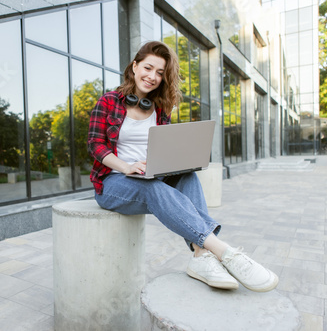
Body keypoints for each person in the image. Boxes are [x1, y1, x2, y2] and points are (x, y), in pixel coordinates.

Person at [87, 41, 278, 292]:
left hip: (147, 176)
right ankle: (225, 253)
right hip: (112, 183)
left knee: (186, 177)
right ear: (134, 66)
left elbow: (163, 147)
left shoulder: (160, 109)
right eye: (148, 68)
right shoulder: (109, 102)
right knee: (152, 188)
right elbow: (95, 145)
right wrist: (125, 166)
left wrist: (174, 161)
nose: (152, 76)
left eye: (159, 73)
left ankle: (201, 257)